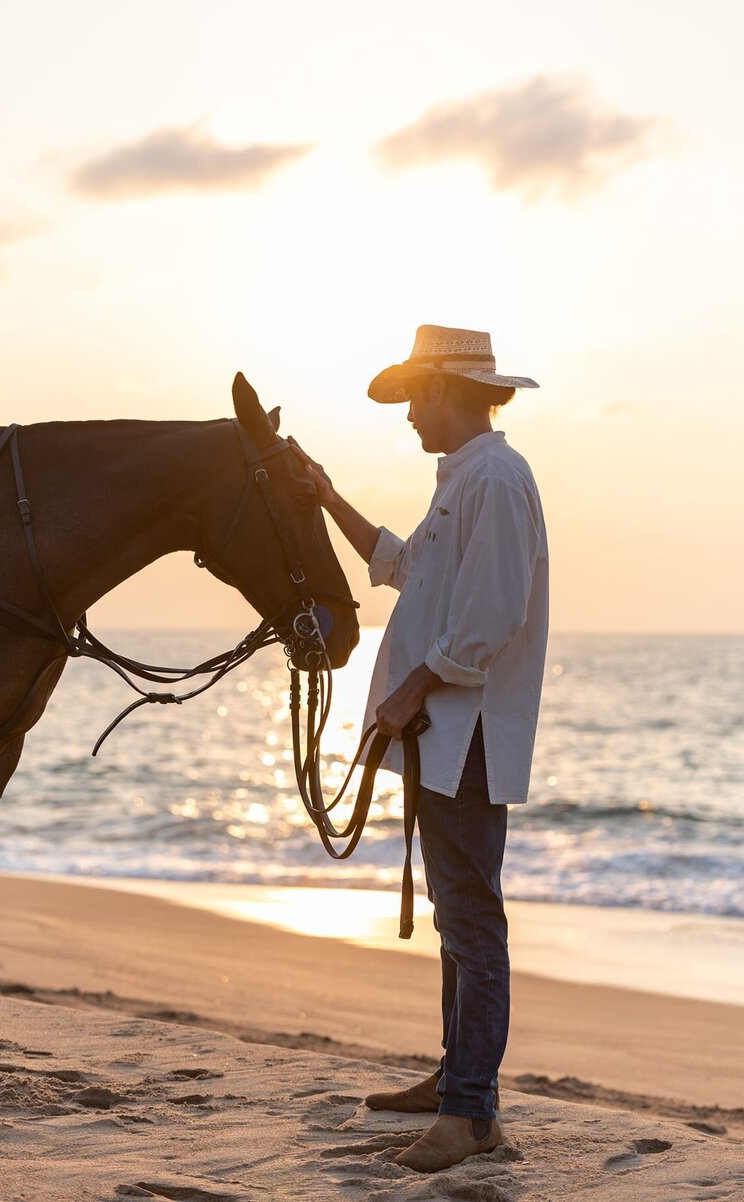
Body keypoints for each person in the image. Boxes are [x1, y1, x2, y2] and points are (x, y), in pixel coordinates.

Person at [290, 324, 549, 1174]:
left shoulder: (497, 480)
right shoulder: (463, 481)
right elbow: (405, 569)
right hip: (448, 738)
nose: (406, 414)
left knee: (473, 923)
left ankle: (471, 1112)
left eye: (413, 396)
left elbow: (490, 620)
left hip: (466, 738)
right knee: (458, 919)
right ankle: (456, 1084)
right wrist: (328, 499)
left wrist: (409, 691)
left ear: (447, 389)